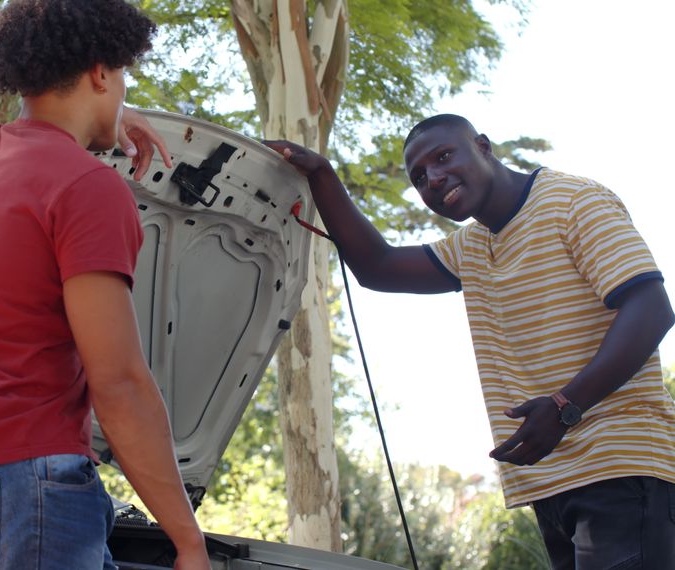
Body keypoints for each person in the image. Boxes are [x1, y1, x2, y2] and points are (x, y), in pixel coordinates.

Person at [266, 114, 675, 569]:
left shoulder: (574, 201)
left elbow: (652, 309)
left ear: (483, 145)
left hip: (621, 464)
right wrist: (322, 174)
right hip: (552, 482)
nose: (434, 179)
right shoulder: (472, 246)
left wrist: (564, 406)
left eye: (443, 157)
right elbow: (378, 267)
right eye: (419, 177)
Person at [0, 1, 210, 569]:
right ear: (101, 73)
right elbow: (120, 383)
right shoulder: (86, 188)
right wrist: (188, 541)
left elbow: (43, 134)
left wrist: (110, 117)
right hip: (33, 486)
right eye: (121, 75)